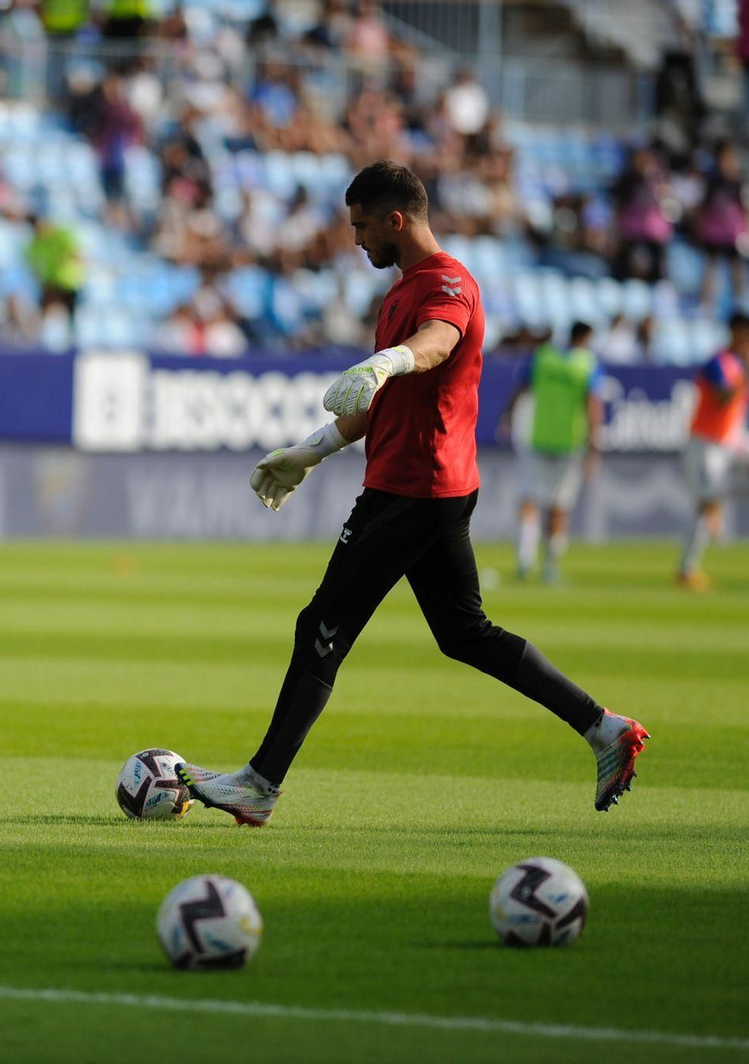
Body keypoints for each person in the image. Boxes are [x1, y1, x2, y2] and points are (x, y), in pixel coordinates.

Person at [174, 161, 648, 826]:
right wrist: (311, 450)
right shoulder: (400, 292)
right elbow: (381, 397)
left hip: (414, 490)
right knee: (465, 633)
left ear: (396, 219)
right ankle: (603, 729)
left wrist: (388, 358)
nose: (357, 240)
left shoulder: (447, 284)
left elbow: (436, 344)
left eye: (363, 226)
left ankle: (259, 784)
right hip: (424, 485)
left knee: (322, 628)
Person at [500, 321, 604, 585]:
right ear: (586, 338)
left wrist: (508, 416)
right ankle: (549, 567)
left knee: (529, 501)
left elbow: (520, 390)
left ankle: (525, 562)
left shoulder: (543, 357)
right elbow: (593, 406)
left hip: (539, 438)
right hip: (569, 442)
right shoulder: (587, 364)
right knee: (558, 508)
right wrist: (594, 446)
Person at [677, 314, 749, 590]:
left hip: (733, 437)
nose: (748, 341)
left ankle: (718, 498)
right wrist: (747, 374)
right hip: (707, 441)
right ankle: (686, 569)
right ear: (734, 333)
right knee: (702, 507)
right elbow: (722, 399)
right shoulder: (718, 362)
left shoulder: (741, 364)